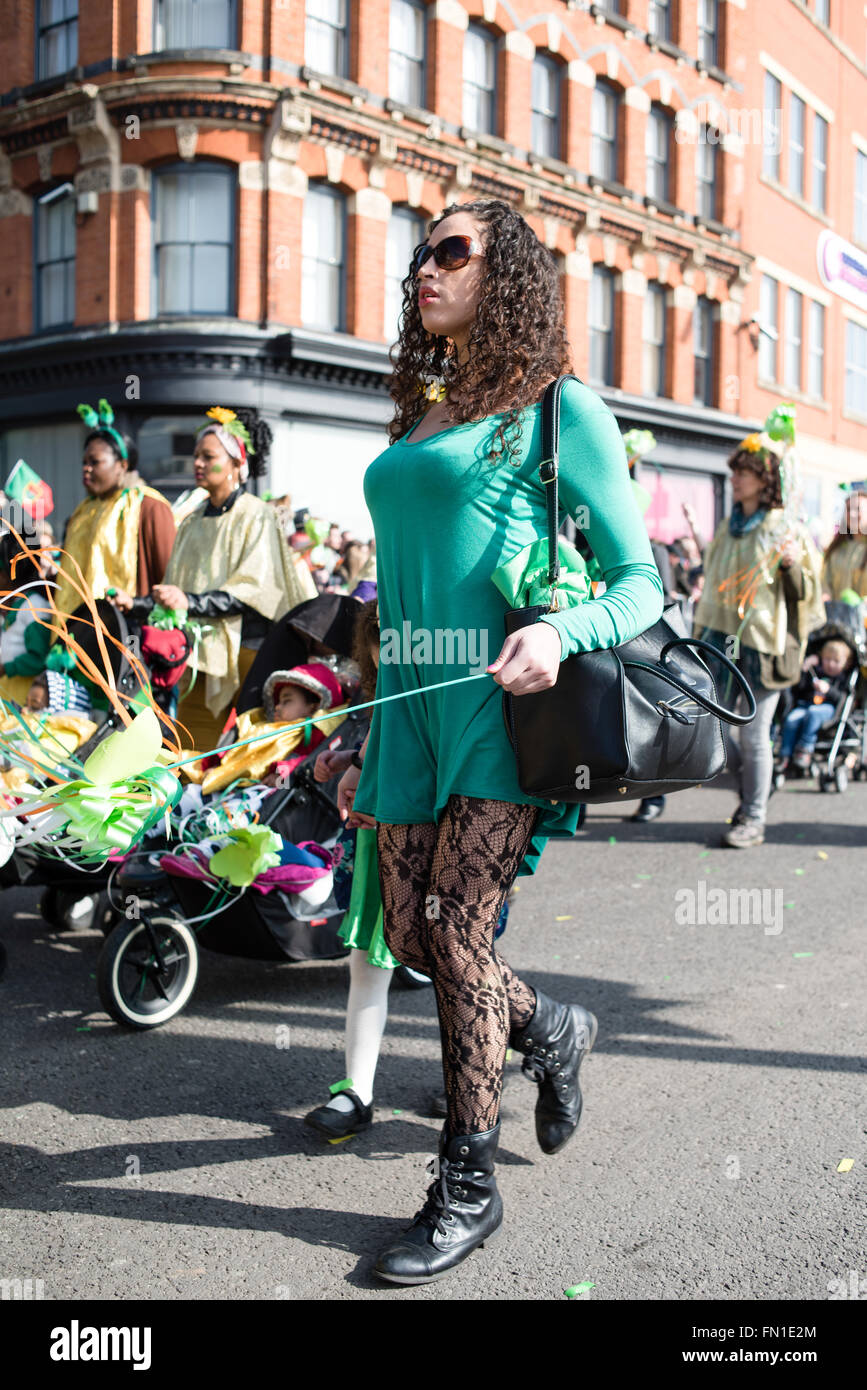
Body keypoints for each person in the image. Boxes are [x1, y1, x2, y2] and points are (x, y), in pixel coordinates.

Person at [337, 198, 664, 1284]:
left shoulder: (559, 408)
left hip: (493, 707)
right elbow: (393, 589)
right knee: (418, 941)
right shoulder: (422, 407)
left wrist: (556, 632)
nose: (423, 267)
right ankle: (556, 1025)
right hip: (404, 711)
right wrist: (353, 718)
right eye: (419, 252)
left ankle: (466, 1187)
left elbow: (639, 584)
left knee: (460, 940)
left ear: (506, 271)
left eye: (450, 250)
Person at [119, 407, 316, 750]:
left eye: (207, 456)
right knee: (190, 747)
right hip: (199, 653)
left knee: (254, 747)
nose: (196, 463)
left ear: (238, 465)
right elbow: (176, 590)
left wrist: (189, 602)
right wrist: (135, 604)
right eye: (195, 455)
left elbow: (257, 591)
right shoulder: (192, 520)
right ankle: (188, 803)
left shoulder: (257, 514)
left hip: (251, 651)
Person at [694, 432, 825, 848]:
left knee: (755, 735)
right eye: (735, 471)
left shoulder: (785, 529)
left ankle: (753, 818)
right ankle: (756, 786)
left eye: (745, 473)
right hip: (720, 642)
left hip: (763, 646)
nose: (735, 479)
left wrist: (790, 566)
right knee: (714, 732)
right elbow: (712, 583)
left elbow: (805, 593)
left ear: (765, 481)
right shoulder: (726, 527)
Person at [304, 599, 401, 1139]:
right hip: (377, 833)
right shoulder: (384, 690)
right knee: (366, 962)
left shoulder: (446, 675)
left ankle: (485, 1071)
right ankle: (356, 1091)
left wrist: (360, 764)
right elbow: (383, 732)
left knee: (460, 965)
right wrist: (351, 760)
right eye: (377, 665)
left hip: (436, 830)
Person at [54, 400, 175, 618]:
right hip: (79, 633)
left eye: (95, 462)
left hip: (129, 635)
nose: (86, 469)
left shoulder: (150, 506)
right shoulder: (82, 511)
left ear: (123, 465)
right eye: (83, 462)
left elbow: (170, 580)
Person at [186, 661, 345, 796]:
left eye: (286, 701)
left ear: (312, 707)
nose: (277, 707)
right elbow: (243, 751)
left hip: (266, 797)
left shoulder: (314, 735)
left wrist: (281, 776)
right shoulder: (265, 729)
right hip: (234, 787)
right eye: (278, 702)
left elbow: (309, 765)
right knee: (189, 793)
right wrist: (217, 766)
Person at [776, 637, 856, 772]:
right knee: (791, 719)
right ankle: (785, 754)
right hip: (805, 706)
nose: (830, 664)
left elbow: (843, 699)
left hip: (828, 710)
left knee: (814, 712)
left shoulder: (842, 678)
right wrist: (805, 669)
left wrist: (828, 690)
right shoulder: (815, 672)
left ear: (846, 663)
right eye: (827, 659)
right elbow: (798, 689)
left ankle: (805, 748)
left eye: (836, 661)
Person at [0, 524, 53, 707]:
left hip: (23, 698)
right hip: (8, 692)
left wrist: (6, 668)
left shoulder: (35, 607)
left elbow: (40, 658)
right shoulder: (18, 605)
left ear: (7, 576)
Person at [822, 491, 867, 604]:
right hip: (836, 617)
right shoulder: (836, 549)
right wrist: (825, 596)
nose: (852, 514)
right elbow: (824, 582)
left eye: (857, 509)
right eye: (848, 509)